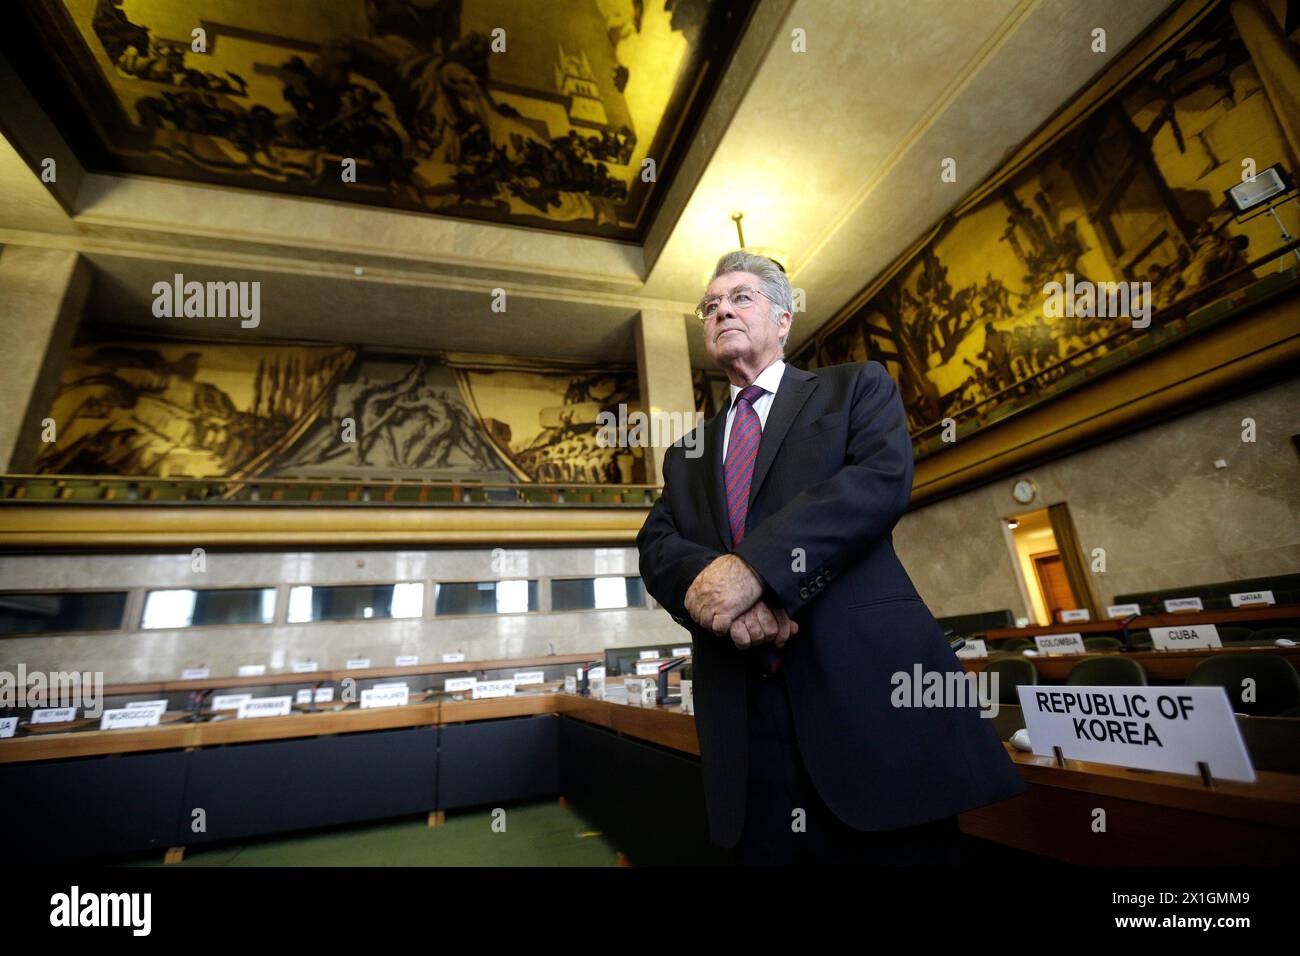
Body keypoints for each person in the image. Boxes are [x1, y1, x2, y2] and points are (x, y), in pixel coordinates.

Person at [637, 250, 1027, 865]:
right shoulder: (685, 454)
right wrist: (728, 603)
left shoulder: (854, 387)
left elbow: (878, 481)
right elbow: (657, 547)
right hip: (746, 727)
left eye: (740, 297)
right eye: (709, 306)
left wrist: (756, 572)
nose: (720, 311)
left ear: (785, 317)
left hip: (868, 703)